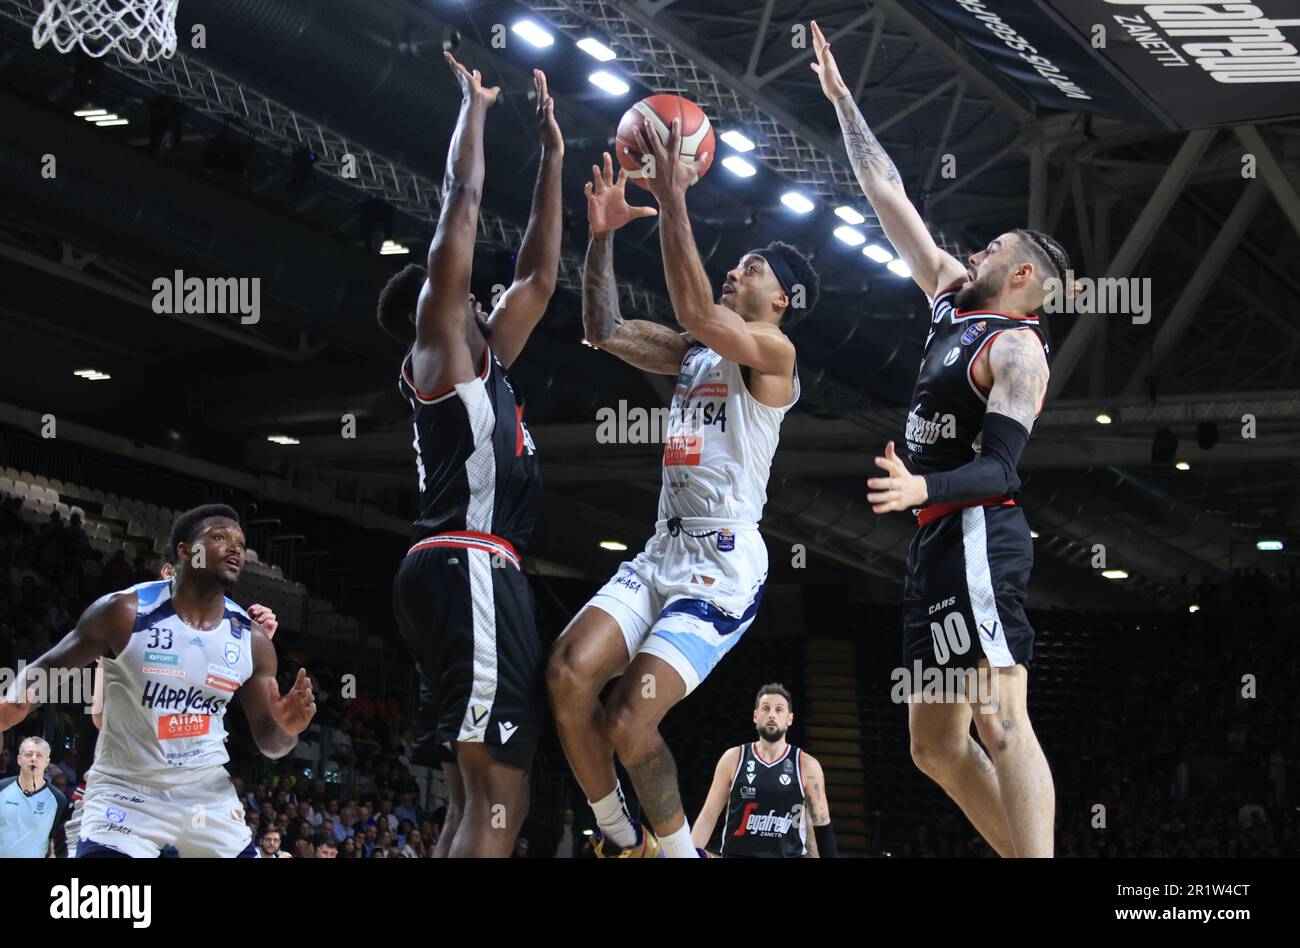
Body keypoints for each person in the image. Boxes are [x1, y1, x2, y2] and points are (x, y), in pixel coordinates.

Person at [812, 20, 1059, 857]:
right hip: (933, 541)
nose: (978, 248)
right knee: (934, 747)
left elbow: (998, 468)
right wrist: (845, 102)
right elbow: (891, 200)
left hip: (981, 532)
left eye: (998, 246)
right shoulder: (954, 298)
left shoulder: (1017, 351)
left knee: (999, 714)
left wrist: (923, 487)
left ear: (1024, 276)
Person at [547, 140, 819, 857]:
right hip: (663, 547)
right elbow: (600, 329)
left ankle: (677, 856)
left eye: (751, 268)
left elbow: (698, 307)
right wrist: (601, 238)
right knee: (569, 673)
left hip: (722, 562)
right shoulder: (698, 352)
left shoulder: (776, 357)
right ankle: (616, 834)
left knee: (628, 722)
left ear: (781, 301)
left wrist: (674, 199)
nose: (736, 270)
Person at [380, 54, 563, 858]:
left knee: (477, 796)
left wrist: (555, 157)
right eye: (467, 295)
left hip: (466, 574)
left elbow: (540, 274)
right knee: (499, 798)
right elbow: (462, 201)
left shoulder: (489, 366)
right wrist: (478, 108)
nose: (488, 295)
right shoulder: (444, 350)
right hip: (469, 567)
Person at [0, 504, 316, 857]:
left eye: (240, 543)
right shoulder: (123, 612)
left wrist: (288, 728)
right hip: (125, 793)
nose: (235, 548)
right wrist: (12, 704)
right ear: (184, 550)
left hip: (205, 798)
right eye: (219, 537)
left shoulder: (252, 639)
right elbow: (46, 669)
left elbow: (271, 744)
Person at [691, 684, 835, 857]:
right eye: (766, 708)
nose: (772, 714)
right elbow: (708, 816)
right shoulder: (733, 758)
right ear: (755, 716)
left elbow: (822, 826)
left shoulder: (807, 765)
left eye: (779, 709)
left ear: (790, 719)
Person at [0, 736, 69, 857]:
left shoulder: (59, 800)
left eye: (39, 755)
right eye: (28, 754)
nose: (33, 759)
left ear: (47, 762)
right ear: (19, 759)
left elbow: (57, 843)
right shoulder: (2, 788)